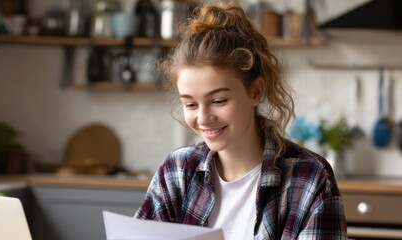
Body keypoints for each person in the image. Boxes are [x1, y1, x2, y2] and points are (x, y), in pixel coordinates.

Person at [135, 1, 347, 239]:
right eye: (191, 104)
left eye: (218, 101)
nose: (203, 118)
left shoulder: (309, 178)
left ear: (255, 92)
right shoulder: (176, 172)